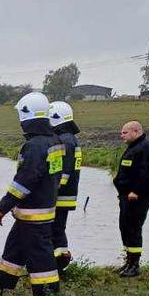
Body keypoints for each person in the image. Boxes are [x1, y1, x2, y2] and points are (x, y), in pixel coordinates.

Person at [0, 92, 62, 296]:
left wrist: (1, 208)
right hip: (41, 208)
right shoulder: (55, 141)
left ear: (27, 115)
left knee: (40, 255)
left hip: (34, 212)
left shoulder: (34, 146)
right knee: (14, 249)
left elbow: (23, 182)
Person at [113, 120, 149, 277]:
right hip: (126, 196)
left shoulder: (146, 148)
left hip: (138, 197)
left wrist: (135, 191)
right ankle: (128, 262)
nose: (121, 136)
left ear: (136, 131)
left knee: (133, 228)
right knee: (125, 227)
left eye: (124, 133)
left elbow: (148, 173)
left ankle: (134, 266)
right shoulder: (133, 148)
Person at [48, 101, 81, 275]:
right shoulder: (71, 138)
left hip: (60, 195)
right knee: (58, 229)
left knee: (55, 229)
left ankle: (58, 263)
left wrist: (51, 191)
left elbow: (63, 173)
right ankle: (59, 261)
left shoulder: (64, 141)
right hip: (66, 195)